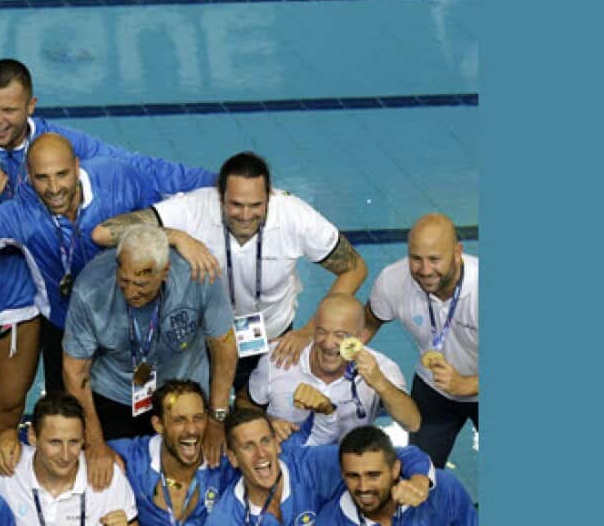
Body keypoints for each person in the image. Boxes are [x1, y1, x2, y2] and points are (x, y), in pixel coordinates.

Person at [0, 127, 216, 446]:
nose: (54, 188)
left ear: (77, 165)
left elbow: (165, 203)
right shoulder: (23, 213)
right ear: (28, 176)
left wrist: (189, 225)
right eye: (42, 178)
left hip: (126, 322)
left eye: (62, 174)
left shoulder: (116, 179)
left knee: (142, 421)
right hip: (64, 330)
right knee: (68, 430)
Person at [92, 151, 368, 398]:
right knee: (196, 415)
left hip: (271, 337)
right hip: (205, 339)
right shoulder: (195, 208)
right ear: (220, 196)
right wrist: (175, 236)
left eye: (256, 205)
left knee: (260, 421)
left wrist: (308, 331)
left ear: (269, 196)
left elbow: (354, 268)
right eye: (236, 204)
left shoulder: (294, 216)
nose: (246, 215)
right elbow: (103, 233)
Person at [60, 225, 236, 487]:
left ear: (164, 272)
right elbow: (74, 371)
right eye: (124, 281)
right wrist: (94, 441)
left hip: (186, 392)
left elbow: (225, 348)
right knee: (112, 479)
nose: (131, 293)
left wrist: (217, 417)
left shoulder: (198, 276)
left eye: (141, 284)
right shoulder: (90, 289)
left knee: (200, 471)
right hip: (116, 392)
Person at [364, 213, 478, 467]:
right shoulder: (393, 281)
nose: (425, 271)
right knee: (419, 471)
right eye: (416, 259)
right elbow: (369, 321)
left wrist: (466, 385)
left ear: (458, 252)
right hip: (434, 387)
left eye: (435, 259)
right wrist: (343, 354)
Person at [204, 409, 434, 525]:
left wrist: (419, 480)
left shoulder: (312, 466)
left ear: (277, 444)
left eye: (265, 441)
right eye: (248, 447)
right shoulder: (224, 519)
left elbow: (399, 455)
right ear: (233, 458)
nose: (261, 454)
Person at [246, 294, 419, 447]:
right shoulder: (279, 357)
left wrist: (380, 384)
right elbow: (245, 404)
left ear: (361, 337)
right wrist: (267, 423)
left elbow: (412, 423)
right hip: (286, 460)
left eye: (341, 335)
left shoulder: (380, 368)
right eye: (322, 332)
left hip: (347, 470)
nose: (328, 343)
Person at [0, 392, 137, 526]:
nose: (66, 455)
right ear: (33, 436)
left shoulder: (107, 476)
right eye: (55, 442)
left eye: (74, 442)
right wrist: (7, 434)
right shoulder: (4, 466)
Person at [107, 380, 244, 526]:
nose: (191, 429)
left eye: (198, 418)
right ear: (158, 425)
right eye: (179, 420)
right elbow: (88, 450)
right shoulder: (132, 457)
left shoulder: (228, 464)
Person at [318, 426, 476, 525]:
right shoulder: (329, 521)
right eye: (353, 476)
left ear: (395, 470)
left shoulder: (444, 490)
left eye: (373, 475)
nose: (363, 487)